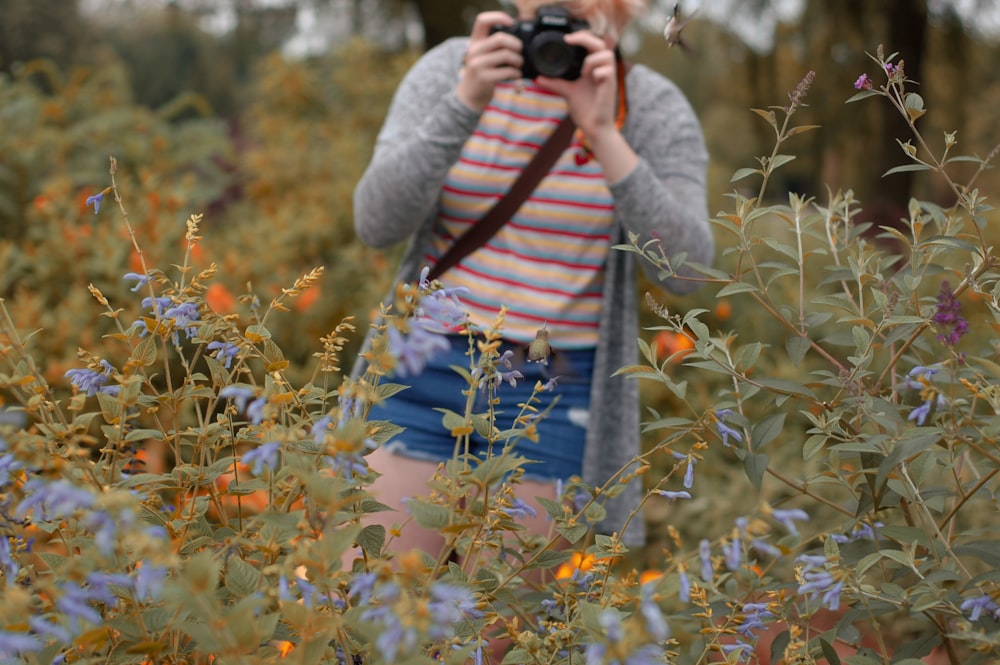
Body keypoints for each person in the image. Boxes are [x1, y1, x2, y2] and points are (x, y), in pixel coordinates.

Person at [351, 0, 713, 557]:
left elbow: (687, 270)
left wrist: (604, 133)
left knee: (502, 635)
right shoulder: (453, 69)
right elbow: (375, 222)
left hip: (551, 385)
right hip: (421, 366)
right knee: (364, 611)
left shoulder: (650, 106)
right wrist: (465, 101)